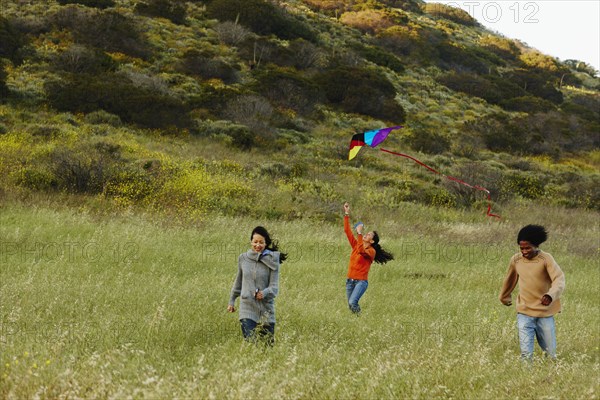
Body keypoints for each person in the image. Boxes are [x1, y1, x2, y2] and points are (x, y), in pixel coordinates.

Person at [499, 224, 566, 361]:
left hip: (544, 313)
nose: (524, 251)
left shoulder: (546, 259)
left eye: (527, 248)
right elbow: (509, 279)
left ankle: (549, 375)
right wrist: (504, 296)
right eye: (521, 248)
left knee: (550, 354)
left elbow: (559, 279)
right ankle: (525, 377)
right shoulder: (516, 260)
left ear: (536, 246)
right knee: (525, 353)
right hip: (524, 312)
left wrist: (550, 295)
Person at [228, 226, 286, 344]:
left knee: (267, 347)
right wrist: (232, 301)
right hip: (247, 307)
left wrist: (264, 293)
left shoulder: (273, 261)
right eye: (255, 242)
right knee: (251, 342)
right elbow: (238, 281)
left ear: (266, 243)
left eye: (261, 242)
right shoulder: (243, 258)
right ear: (251, 242)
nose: (257, 245)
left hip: (266, 309)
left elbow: (274, 287)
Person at [343, 202, 394, 314]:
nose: (366, 234)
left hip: (361, 282)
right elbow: (347, 231)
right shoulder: (356, 245)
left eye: (369, 235)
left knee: (352, 302)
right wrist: (347, 213)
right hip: (349, 281)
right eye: (367, 233)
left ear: (372, 241)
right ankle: (356, 322)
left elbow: (362, 251)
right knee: (351, 306)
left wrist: (360, 233)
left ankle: (360, 318)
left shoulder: (371, 251)